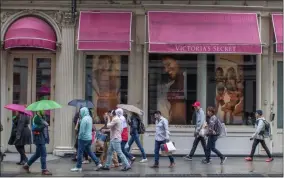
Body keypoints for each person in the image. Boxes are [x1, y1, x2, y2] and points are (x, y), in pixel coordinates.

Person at [71, 107, 102, 172]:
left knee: (80, 152)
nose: (80, 113)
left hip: (83, 138)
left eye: (81, 112)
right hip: (89, 138)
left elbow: (82, 130)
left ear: (83, 112)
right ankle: (98, 163)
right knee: (89, 151)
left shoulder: (84, 119)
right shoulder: (89, 118)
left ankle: (78, 167)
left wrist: (79, 136)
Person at [23, 110, 52, 175]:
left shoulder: (42, 118)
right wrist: (44, 125)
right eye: (43, 110)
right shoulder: (36, 118)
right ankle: (44, 170)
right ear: (39, 111)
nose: (45, 111)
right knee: (43, 154)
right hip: (39, 138)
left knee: (38, 154)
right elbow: (35, 129)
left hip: (42, 138)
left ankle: (27, 165)